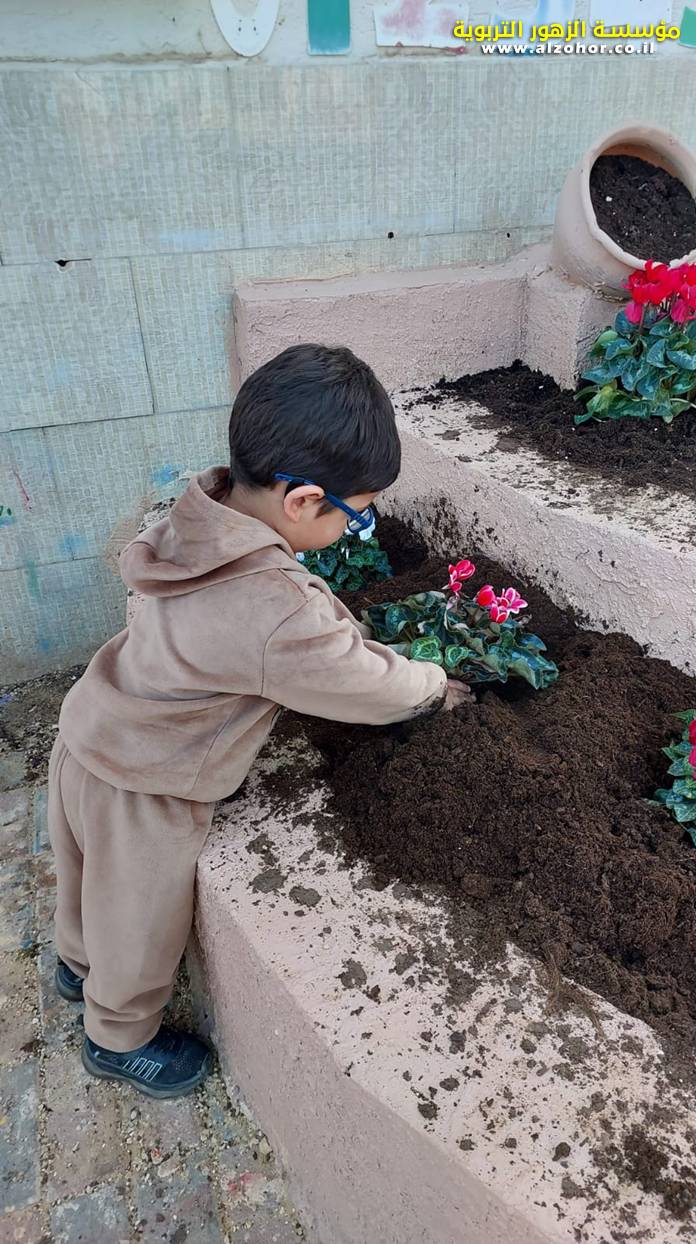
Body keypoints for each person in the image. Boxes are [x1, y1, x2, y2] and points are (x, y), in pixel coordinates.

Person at [48, 343, 471, 1099]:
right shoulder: (273, 612)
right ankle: (117, 1037)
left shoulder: (203, 513)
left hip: (91, 729)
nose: (357, 530)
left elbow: (288, 614)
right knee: (139, 920)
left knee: (88, 880)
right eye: (358, 516)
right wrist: (433, 686)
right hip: (147, 784)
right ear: (303, 501)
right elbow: (361, 683)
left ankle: (76, 967)